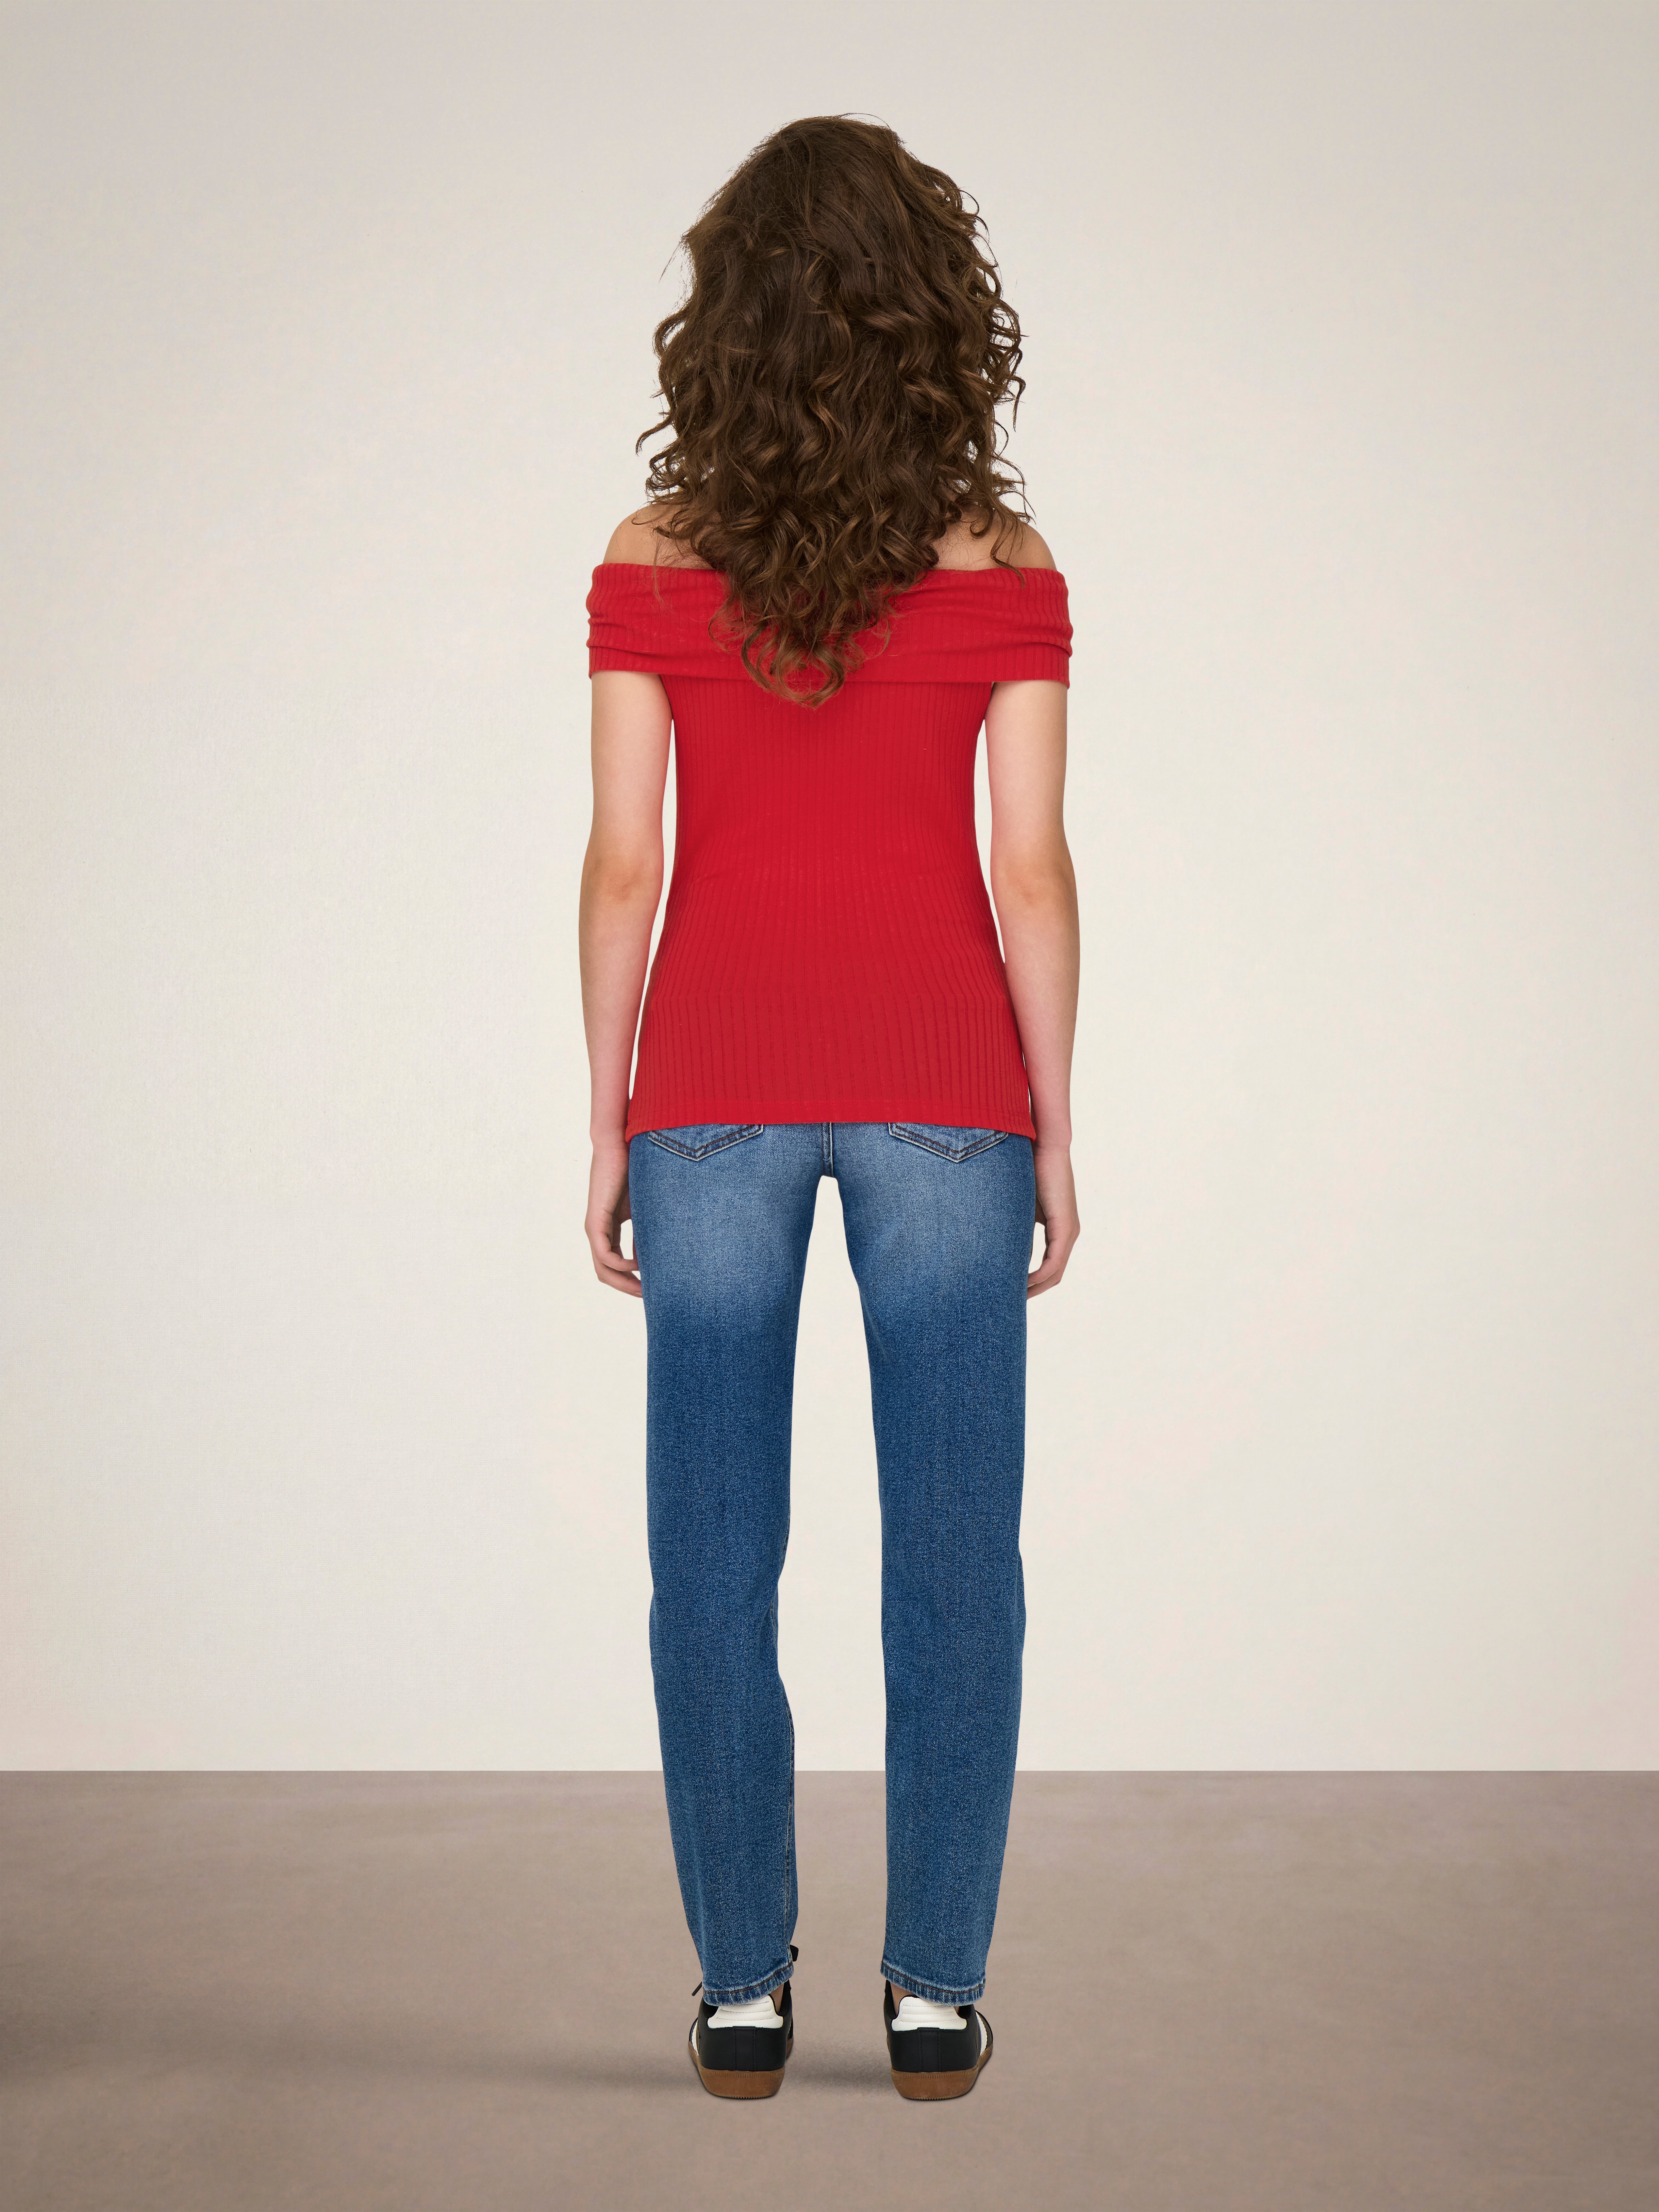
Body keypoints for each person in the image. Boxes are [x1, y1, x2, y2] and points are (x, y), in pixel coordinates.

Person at [579, 114, 1079, 2103]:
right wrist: (1058, 1124)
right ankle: (936, 1991)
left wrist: (606, 1115)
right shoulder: (1004, 566)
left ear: (728, 323)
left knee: (711, 1557)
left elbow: (625, 864)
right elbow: (1029, 870)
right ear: (934, 317)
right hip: (950, 1093)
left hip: (708, 1092)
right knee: (958, 1556)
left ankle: (740, 1991)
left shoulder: (654, 562)